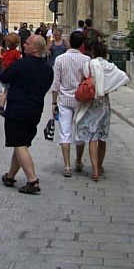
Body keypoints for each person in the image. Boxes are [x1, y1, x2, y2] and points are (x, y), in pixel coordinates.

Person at [0, 35, 53, 194]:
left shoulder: (21, 64)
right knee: (20, 143)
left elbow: (3, 79)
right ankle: (10, 176)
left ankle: (32, 180)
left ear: (35, 48)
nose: (24, 45)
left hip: (17, 110)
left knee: (20, 144)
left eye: (27, 44)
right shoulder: (48, 70)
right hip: (35, 111)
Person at [74, 41, 129, 180]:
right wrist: (108, 87)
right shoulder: (110, 66)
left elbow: (83, 82)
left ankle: (94, 171)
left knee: (92, 137)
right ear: (105, 53)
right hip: (104, 103)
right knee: (102, 137)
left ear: (93, 52)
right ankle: (99, 166)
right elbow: (123, 77)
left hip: (91, 104)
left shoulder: (88, 66)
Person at [52, 30, 88, 176]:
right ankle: (78, 161)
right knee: (79, 132)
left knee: (64, 133)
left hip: (65, 99)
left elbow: (56, 83)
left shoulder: (60, 59)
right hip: (81, 100)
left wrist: (54, 102)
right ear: (82, 44)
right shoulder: (87, 60)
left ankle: (67, 165)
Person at [0, 32, 22, 114]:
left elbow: (2, 58)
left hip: (6, 72)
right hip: (13, 74)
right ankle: (1, 106)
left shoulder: (6, 52)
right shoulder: (15, 52)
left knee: (6, 90)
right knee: (8, 91)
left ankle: (2, 105)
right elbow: (19, 62)